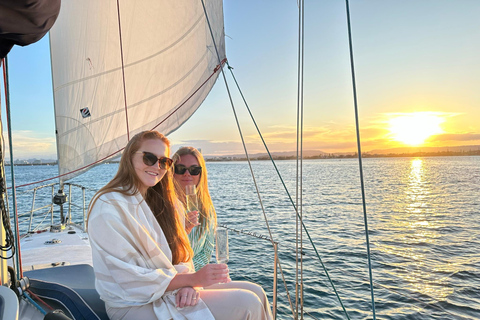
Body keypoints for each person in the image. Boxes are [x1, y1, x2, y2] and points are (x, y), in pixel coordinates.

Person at [88, 131, 272, 320]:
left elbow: (181, 256)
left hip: (168, 287)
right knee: (247, 303)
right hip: (133, 303)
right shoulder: (109, 206)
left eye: (164, 162)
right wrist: (191, 280)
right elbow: (127, 278)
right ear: (129, 157)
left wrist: (187, 284)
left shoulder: (162, 202)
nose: (156, 167)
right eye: (149, 158)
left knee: (256, 291)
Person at [172, 146, 215, 271]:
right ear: (172, 172)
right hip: (172, 277)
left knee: (255, 289)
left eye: (194, 170)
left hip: (194, 275)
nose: (187, 174)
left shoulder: (206, 208)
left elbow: (207, 251)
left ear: (201, 174)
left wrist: (192, 273)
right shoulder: (164, 206)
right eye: (180, 169)